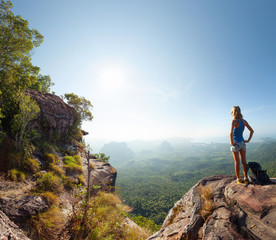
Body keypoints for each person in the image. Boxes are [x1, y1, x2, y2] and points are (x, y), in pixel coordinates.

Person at [230, 106, 254, 184]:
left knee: (237, 162)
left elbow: (230, 133)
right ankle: (246, 178)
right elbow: (252, 131)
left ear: (233, 112)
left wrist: (232, 142)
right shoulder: (244, 121)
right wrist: (248, 140)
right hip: (243, 143)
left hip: (236, 144)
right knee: (244, 161)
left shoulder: (234, 121)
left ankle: (238, 179)